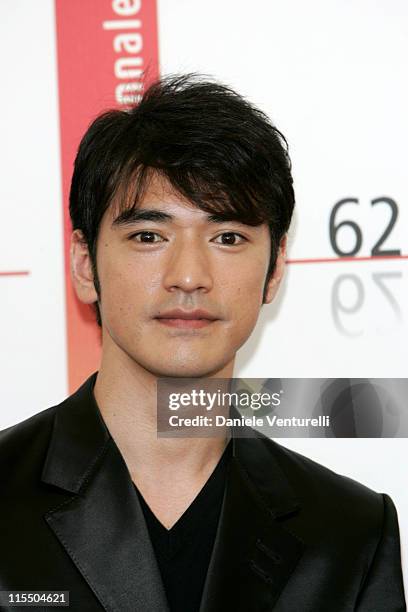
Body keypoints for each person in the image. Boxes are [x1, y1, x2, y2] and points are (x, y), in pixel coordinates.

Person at [0, 75, 405, 612]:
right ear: (83, 264)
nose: (189, 276)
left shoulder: (351, 534)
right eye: (149, 236)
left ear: (275, 268)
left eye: (228, 238)